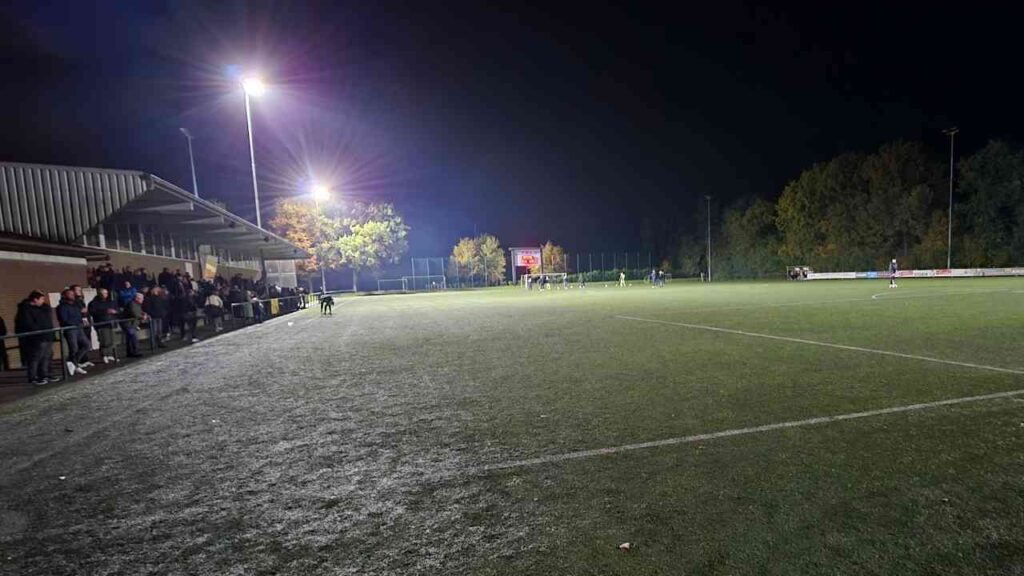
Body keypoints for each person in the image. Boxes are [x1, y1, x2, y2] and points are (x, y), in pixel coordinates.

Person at [15, 291, 60, 385]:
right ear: (35, 299)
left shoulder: (43, 308)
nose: (43, 301)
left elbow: (48, 320)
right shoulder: (25, 309)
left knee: (47, 356)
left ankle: (44, 374)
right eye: (42, 299)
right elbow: (28, 323)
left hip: (47, 335)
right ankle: (33, 377)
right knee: (35, 357)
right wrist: (39, 331)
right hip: (36, 337)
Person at [56, 288, 93, 376]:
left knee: (87, 345)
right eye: (70, 294)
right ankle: (75, 365)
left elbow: (79, 315)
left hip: (79, 328)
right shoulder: (62, 306)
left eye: (73, 294)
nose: (72, 295)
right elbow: (64, 319)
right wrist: (76, 322)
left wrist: (82, 320)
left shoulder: (75, 305)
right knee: (74, 348)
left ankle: (72, 362)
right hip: (70, 329)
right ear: (65, 295)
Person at [89, 288, 120, 364]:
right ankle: (104, 355)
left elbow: (117, 309)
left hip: (111, 323)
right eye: (103, 293)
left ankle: (109, 354)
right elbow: (92, 312)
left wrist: (115, 311)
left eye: (106, 293)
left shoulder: (111, 301)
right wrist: (105, 311)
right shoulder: (94, 303)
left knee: (111, 340)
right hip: (101, 323)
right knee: (104, 341)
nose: (105, 295)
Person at [124, 292, 148, 358]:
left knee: (130, 338)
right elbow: (135, 313)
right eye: (142, 298)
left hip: (132, 323)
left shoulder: (137, 304)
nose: (143, 300)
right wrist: (142, 317)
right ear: (137, 298)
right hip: (129, 323)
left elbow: (138, 311)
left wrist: (143, 313)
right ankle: (135, 352)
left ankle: (130, 352)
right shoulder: (132, 304)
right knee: (133, 338)